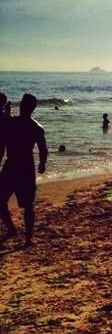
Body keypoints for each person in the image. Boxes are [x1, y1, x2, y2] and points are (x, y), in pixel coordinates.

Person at [0, 93, 48, 246]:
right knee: (28, 205)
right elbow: (43, 149)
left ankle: (12, 229)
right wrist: (42, 164)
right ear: (34, 108)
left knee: (1, 201)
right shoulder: (37, 127)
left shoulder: (10, 122)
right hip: (27, 166)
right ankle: (28, 239)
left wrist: (6, 110)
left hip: (11, 165)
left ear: (21, 105)